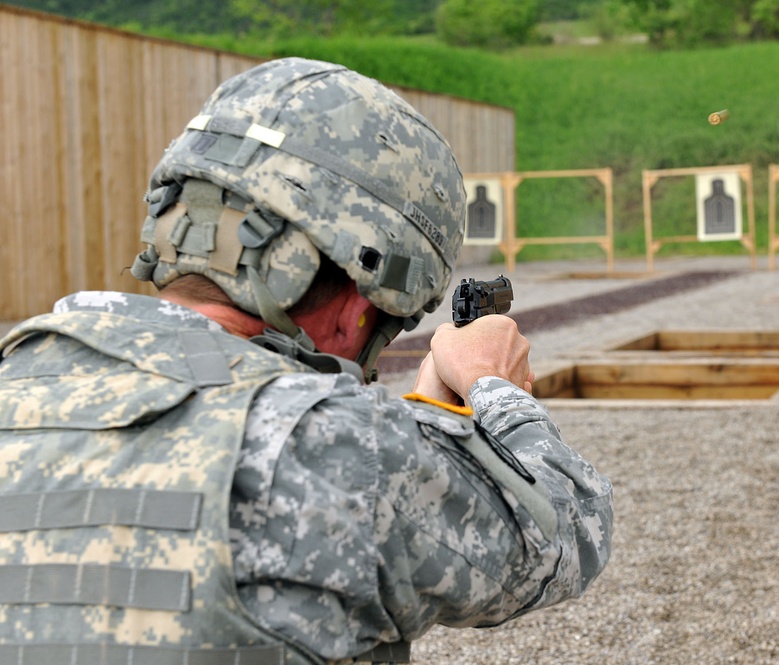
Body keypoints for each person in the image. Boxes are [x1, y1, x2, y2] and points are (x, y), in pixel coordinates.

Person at [0, 58, 613, 664]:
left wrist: (420, 416)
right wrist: (493, 386)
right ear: (356, 306)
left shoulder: (16, 374)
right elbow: (567, 532)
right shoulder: (340, 447)